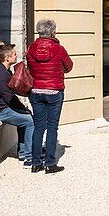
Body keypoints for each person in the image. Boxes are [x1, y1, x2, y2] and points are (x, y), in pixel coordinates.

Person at [27, 18, 73, 174]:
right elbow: (69, 66)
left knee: (38, 127)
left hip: (36, 90)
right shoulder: (59, 49)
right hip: (54, 90)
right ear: (53, 31)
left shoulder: (31, 48)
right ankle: (50, 163)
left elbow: (30, 67)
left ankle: (35, 163)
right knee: (52, 127)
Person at [0, 43, 35, 166]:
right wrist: (21, 107)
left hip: (3, 106)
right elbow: (8, 96)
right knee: (30, 121)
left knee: (25, 116)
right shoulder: (0, 73)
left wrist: (22, 108)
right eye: (14, 54)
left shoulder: (2, 69)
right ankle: (29, 156)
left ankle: (23, 152)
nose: (16, 56)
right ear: (7, 58)